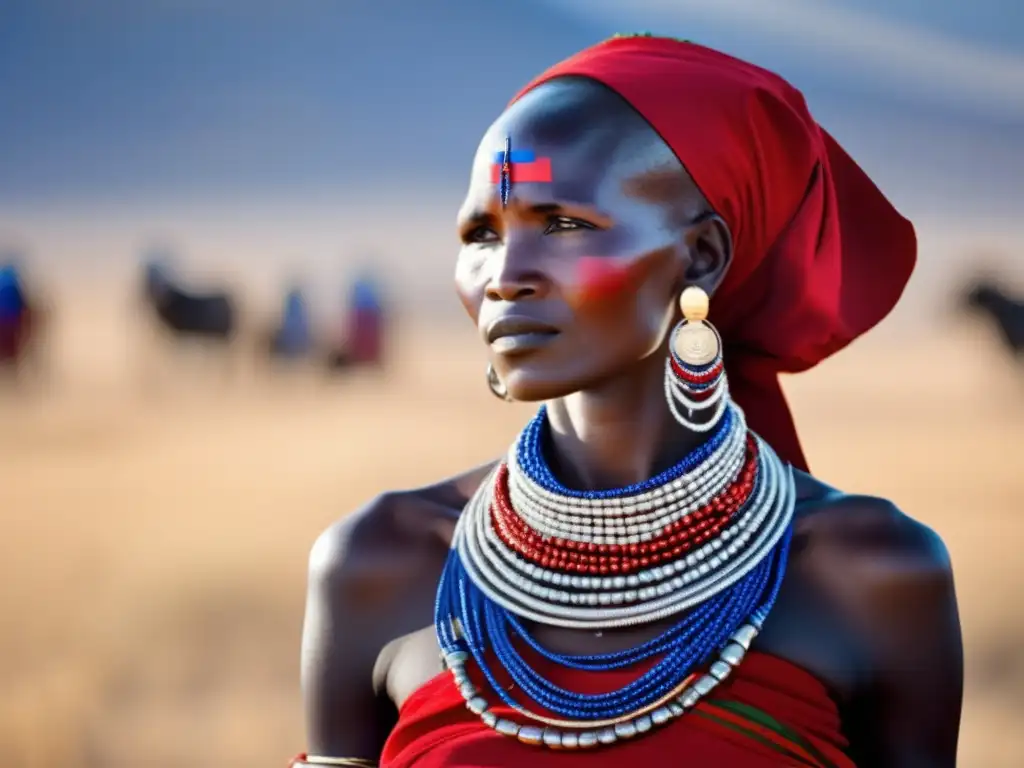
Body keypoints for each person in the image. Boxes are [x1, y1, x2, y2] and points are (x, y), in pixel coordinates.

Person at [293, 36, 962, 767]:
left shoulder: (873, 574)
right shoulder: (378, 563)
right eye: (482, 232)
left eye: (564, 224)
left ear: (701, 255)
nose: (505, 276)